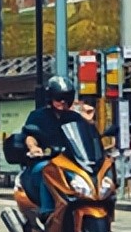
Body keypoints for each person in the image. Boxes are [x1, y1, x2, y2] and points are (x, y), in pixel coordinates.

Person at [21, 76, 90, 222]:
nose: (62, 102)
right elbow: (30, 135)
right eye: (59, 98)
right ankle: (46, 211)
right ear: (50, 97)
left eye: (66, 98)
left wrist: (90, 123)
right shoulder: (38, 116)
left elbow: (86, 138)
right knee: (49, 170)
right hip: (44, 161)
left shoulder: (75, 118)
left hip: (71, 163)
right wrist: (34, 148)